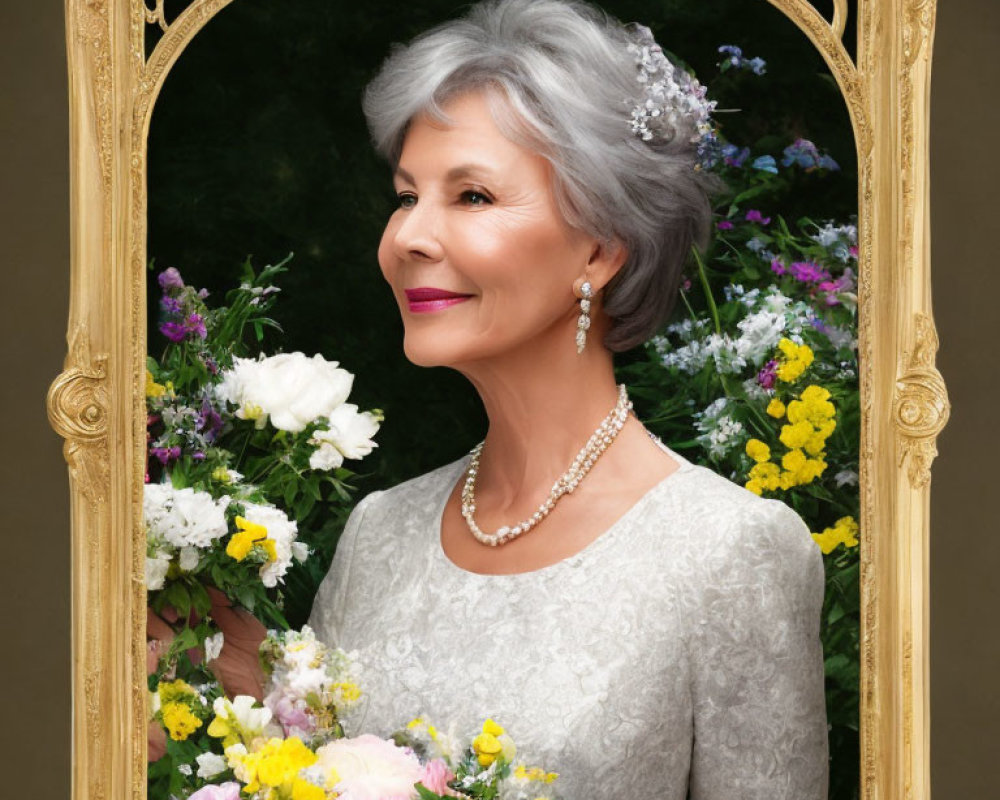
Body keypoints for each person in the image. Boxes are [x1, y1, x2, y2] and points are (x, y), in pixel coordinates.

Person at [304, 1, 830, 798]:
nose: (409, 236)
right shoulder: (379, 535)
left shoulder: (731, 553)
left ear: (600, 248)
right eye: (407, 194)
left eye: (472, 195)